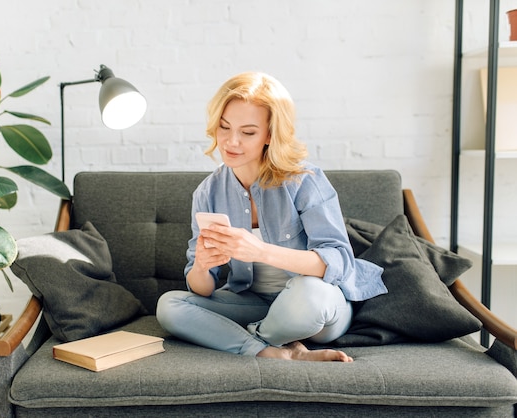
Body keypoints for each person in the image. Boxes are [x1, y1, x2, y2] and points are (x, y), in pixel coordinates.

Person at [156, 72, 386, 362]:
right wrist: (201, 266)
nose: (232, 141)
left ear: (270, 134)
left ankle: (253, 338)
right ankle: (275, 352)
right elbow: (201, 288)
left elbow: (338, 259)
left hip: (314, 305)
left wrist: (261, 251)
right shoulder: (208, 192)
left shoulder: (304, 180)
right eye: (224, 127)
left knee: (311, 295)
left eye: (248, 132)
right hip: (251, 303)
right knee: (169, 305)